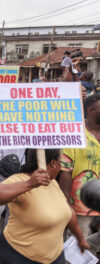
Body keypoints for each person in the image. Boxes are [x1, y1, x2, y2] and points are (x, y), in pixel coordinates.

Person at [0, 149, 90, 264]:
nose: (64, 166)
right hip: (20, 257)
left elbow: (67, 211)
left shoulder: (53, 182)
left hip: (55, 257)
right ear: (53, 163)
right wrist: (29, 184)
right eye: (60, 161)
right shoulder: (20, 180)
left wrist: (80, 239)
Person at [60, 93, 100, 237]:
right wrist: (66, 203)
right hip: (81, 207)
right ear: (91, 111)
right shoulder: (75, 132)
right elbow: (65, 172)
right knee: (80, 250)